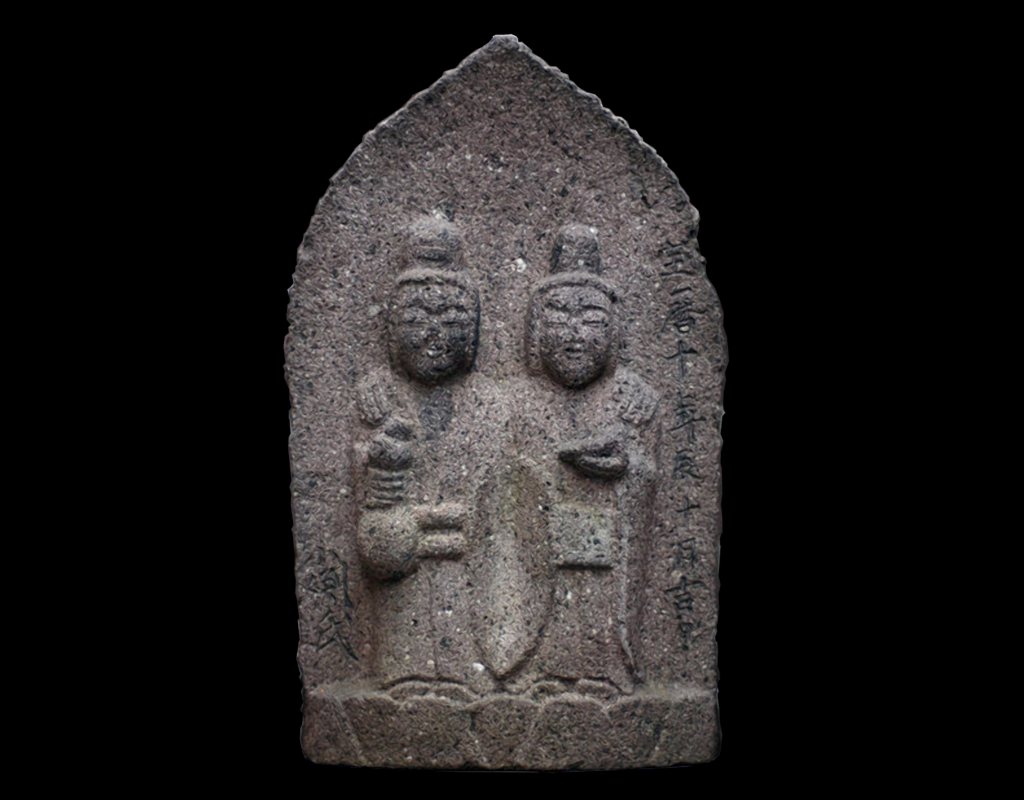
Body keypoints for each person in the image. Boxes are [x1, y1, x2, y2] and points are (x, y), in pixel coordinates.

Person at [353, 215, 509, 699]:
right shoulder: (377, 400)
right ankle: (407, 674)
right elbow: (374, 519)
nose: (435, 334)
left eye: (453, 319)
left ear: (475, 330)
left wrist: (447, 526)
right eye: (417, 319)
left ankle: (475, 673)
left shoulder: (493, 404)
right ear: (391, 329)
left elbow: (503, 504)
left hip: (477, 592)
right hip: (401, 582)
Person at [518, 223, 661, 698]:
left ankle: (605, 671)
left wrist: (628, 469)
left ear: (614, 331)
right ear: (535, 331)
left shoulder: (632, 399)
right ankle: (535, 669)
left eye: (592, 320)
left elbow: (647, 476)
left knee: (596, 601)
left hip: (606, 546)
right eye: (558, 318)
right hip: (540, 553)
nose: (575, 334)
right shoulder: (516, 401)